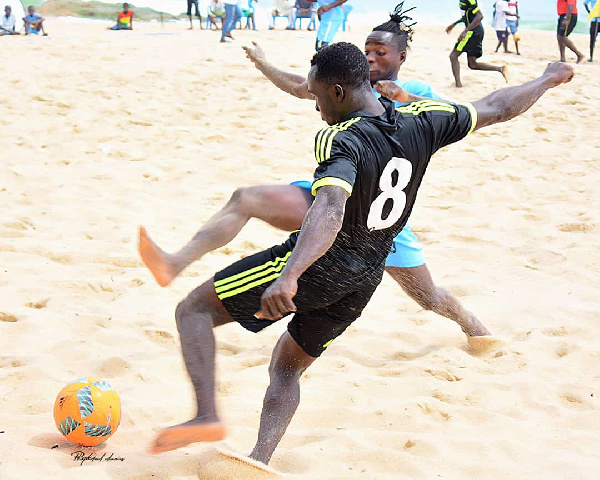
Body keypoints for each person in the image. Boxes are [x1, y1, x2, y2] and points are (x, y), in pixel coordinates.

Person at [144, 41, 574, 460]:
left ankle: (204, 415)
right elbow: (498, 107)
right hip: (366, 276)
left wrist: (291, 273)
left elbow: (329, 208)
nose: (315, 106)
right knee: (288, 366)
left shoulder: (341, 139)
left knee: (193, 311)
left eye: (316, 96)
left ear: (337, 92)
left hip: (322, 263)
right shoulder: (423, 118)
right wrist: (547, 78)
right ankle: (259, 459)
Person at [139, 6, 491, 346]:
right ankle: (174, 263)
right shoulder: (349, 85)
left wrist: (405, 96)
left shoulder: (420, 95)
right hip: (335, 193)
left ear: (401, 58)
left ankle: (474, 327)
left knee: (427, 296)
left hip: (380, 215)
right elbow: (299, 86)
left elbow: (459, 117)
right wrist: (264, 64)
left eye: (381, 52)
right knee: (246, 199)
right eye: (367, 51)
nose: (371, 58)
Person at [446, 0, 508, 88]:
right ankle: (500, 69)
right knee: (472, 64)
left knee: (453, 56)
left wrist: (465, 31)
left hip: (472, 32)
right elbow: (467, 16)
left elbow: (479, 16)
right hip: (475, 31)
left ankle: (458, 85)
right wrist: (453, 24)